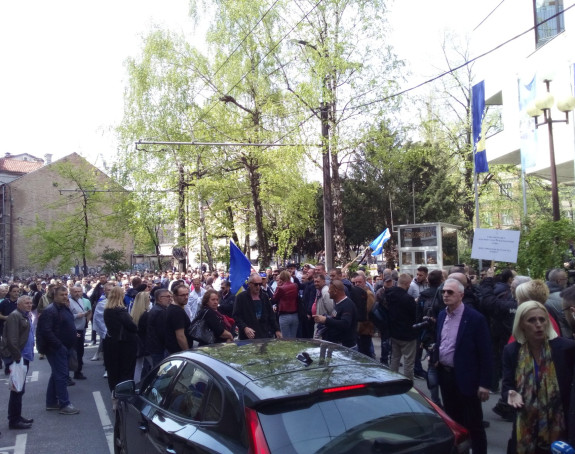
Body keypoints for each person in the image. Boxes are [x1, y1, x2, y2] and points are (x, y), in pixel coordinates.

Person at [503, 301, 575, 453]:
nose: (538, 324)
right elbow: (507, 386)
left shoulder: (565, 348)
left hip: (560, 430)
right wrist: (510, 393)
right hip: (525, 428)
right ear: (521, 324)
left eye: (542, 320)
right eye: (532, 320)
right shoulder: (512, 351)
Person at [433, 278, 492, 454]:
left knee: (474, 424)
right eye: (443, 291)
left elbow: (486, 352)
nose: (445, 295)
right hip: (446, 376)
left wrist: (485, 383)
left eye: (450, 292)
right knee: (453, 421)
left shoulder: (475, 318)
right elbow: (442, 340)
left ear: (461, 294)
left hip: (468, 378)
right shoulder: (442, 315)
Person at [36, 286, 79, 415]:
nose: (65, 296)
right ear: (55, 296)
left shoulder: (64, 307)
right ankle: (64, 404)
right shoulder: (50, 310)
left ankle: (51, 402)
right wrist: (59, 345)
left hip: (64, 347)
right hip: (56, 348)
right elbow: (46, 331)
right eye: (62, 295)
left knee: (56, 374)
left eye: (66, 294)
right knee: (61, 376)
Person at [0, 295, 35, 429]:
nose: (29, 305)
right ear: (19, 304)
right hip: (18, 358)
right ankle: (14, 420)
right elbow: (12, 338)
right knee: (17, 389)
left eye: (30, 303)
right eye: (26, 303)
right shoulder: (15, 316)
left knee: (19, 389)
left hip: (24, 357)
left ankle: (17, 416)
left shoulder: (24, 315)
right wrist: (17, 357)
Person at [103, 286, 138, 392]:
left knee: (113, 370)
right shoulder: (120, 311)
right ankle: (123, 393)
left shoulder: (107, 310)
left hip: (110, 342)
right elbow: (132, 326)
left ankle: (114, 392)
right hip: (124, 344)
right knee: (125, 370)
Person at [386, 274, 417, 380]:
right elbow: (414, 315)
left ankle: (392, 380)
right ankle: (407, 384)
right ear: (407, 283)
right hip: (407, 334)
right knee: (408, 362)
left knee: (395, 358)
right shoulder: (408, 298)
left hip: (394, 331)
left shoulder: (389, 294)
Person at [233, 273, 281, 340]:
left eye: (260, 284)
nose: (258, 287)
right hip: (247, 337)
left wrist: (277, 330)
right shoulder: (241, 297)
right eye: (256, 284)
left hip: (264, 335)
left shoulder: (264, 296)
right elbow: (236, 316)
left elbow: (271, 315)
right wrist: (245, 327)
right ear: (249, 284)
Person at [313, 280, 357, 349]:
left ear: (335, 291)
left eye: (330, 289)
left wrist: (325, 320)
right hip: (337, 345)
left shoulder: (347, 305)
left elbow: (345, 323)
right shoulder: (338, 303)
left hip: (346, 347)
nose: (328, 291)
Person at [68, 286, 91, 380]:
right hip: (73, 330)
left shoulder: (81, 300)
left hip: (81, 329)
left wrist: (86, 315)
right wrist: (78, 315)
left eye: (79, 291)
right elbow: (67, 316)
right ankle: (68, 374)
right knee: (72, 353)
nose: (77, 293)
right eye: (75, 292)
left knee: (80, 352)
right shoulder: (68, 302)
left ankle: (78, 371)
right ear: (71, 292)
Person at [165, 284, 193, 353]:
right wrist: (187, 353)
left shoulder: (173, 308)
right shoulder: (177, 311)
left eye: (187, 294)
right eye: (183, 295)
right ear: (175, 296)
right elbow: (180, 336)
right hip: (178, 352)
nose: (186, 297)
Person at [130, 291, 151, 382]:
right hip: (145, 345)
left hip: (137, 344)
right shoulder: (146, 314)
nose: (150, 300)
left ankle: (135, 385)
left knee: (138, 366)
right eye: (149, 298)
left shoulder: (133, 313)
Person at [273, 270, 300, 338]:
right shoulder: (295, 286)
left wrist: (278, 286)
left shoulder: (280, 288)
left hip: (284, 315)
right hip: (295, 314)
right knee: (293, 338)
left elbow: (274, 298)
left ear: (281, 278)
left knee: (285, 339)